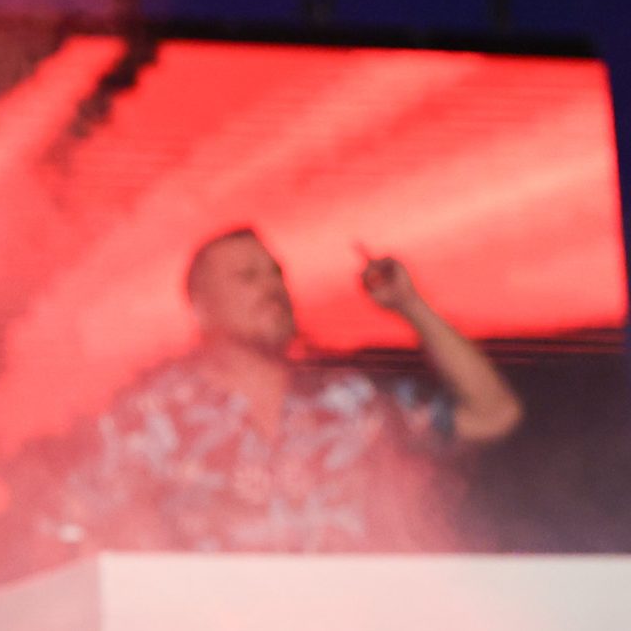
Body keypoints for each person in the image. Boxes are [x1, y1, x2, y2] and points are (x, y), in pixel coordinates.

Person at [45, 226, 524, 557]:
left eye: (276, 273)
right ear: (201, 306)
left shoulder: (346, 401)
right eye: (248, 277)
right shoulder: (156, 416)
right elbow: (68, 526)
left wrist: (410, 305)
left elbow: (494, 414)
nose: (272, 287)